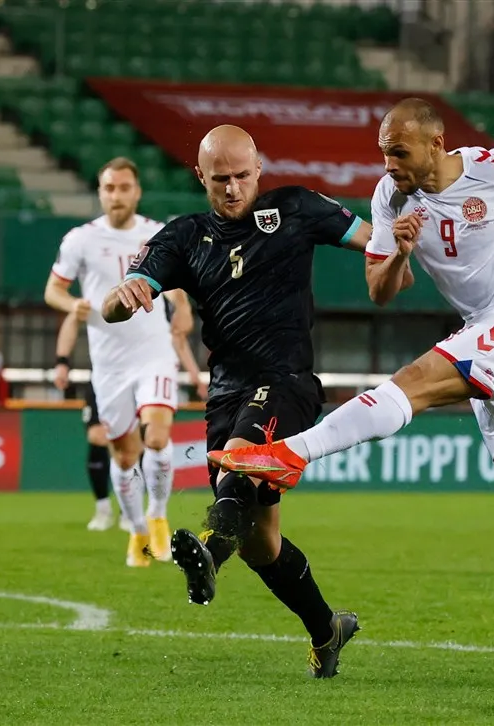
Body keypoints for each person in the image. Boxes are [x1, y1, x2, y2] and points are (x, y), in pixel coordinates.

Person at [211, 99, 494, 693]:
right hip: (488, 333)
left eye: (399, 152)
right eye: (383, 152)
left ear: (436, 144)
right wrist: (402, 249)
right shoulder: (390, 199)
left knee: (415, 381)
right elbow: (381, 289)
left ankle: (293, 451)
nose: (388, 164)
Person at [102, 125, 373, 678]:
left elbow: (375, 240)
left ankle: (207, 551)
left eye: (242, 176)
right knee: (262, 542)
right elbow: (117, 300)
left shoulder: (295, 208)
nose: (232, 189)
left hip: (288, 380)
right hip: (226, 392)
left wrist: (399, 247)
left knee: (241, 460)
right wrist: (121, 297)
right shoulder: (183, 237)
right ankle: (327, 631)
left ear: (259, 168)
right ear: (200, 176)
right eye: (219, 179)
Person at [45, 157, 199, 567]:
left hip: (154, 354)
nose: (117, 195)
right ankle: (136, 531)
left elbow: (175, 282)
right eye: (109, 188)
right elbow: (52, 291)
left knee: (158, 437)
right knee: (125, 456)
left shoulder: (155, 234)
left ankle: (159, 515)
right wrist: (72, 303)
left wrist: (182, 307)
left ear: (137, 191)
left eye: (124, 187)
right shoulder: (80, 239)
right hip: (109, 363)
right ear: (100, 192)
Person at [54, 306, 207, 533]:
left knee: (146, 441)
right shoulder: (101, 285)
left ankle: (140, 514)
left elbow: (178, 335)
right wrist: (62, 361)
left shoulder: (158, 288)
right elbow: (72, 311)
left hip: (148, 374)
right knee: (100, 437)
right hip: (108, 375)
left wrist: (195, 376)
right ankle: (103, 507)